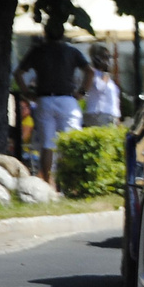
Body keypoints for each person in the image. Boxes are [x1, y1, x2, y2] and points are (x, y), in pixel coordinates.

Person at [15, 17, 94, 185]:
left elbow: (19, 73)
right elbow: (90, 71)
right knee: (69, 141)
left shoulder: (38, 51)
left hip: (44, 98)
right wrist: (82, 92)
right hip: (67, 98)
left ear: (45, 33)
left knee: (47, 144)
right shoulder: (71, 51)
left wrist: (27, 93)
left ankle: (48, 181)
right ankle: (68, 182)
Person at [83, 45, 123, 127]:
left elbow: (114, 99)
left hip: (110, 114)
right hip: (98, 113)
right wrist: (105, 75)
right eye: (106, 57)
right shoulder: (93, 74)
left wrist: (117, 116)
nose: (108, 60)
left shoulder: (108, 78)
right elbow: (99, 87)